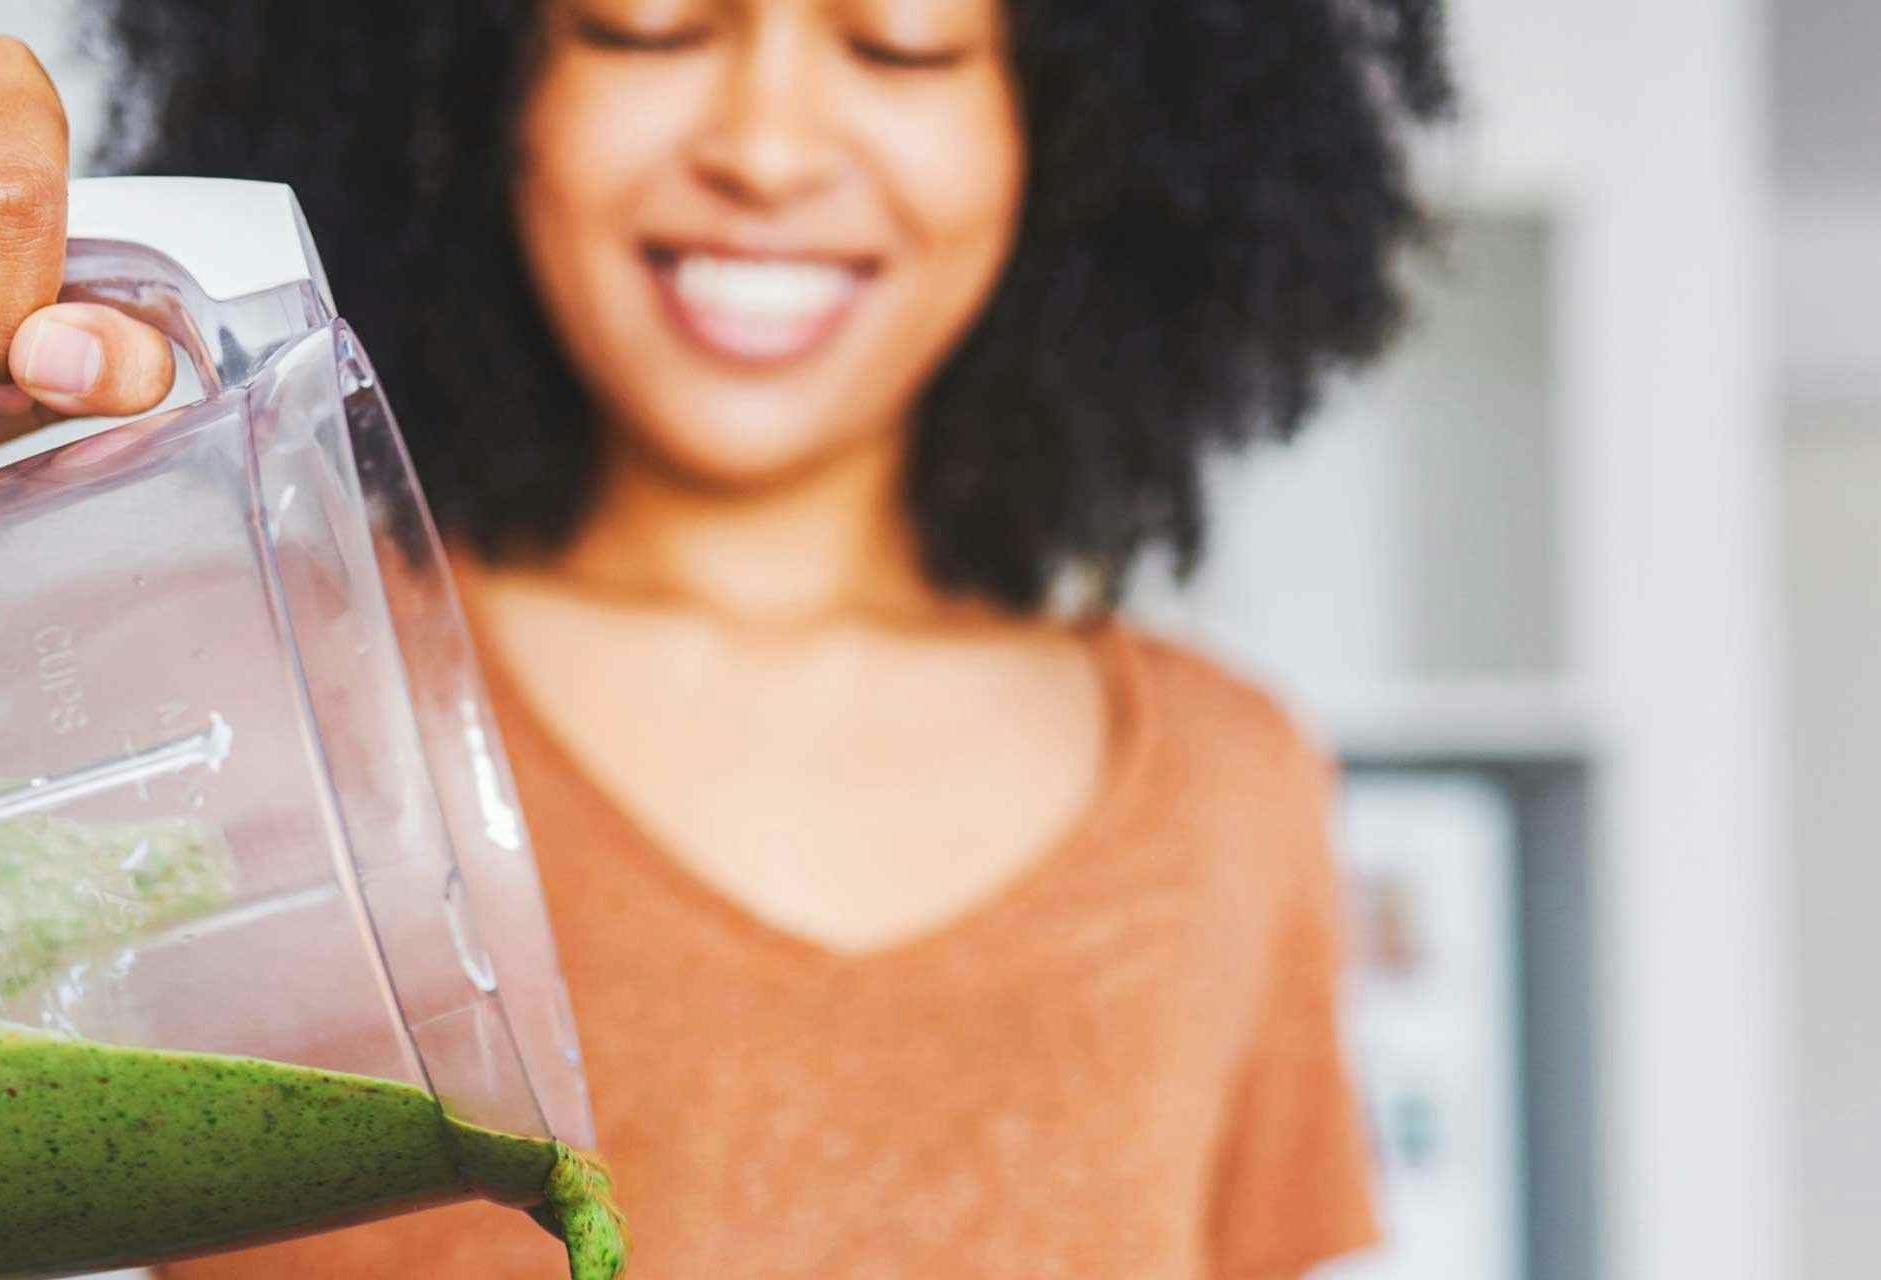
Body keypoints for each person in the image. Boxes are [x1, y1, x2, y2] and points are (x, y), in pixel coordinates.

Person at [0, 0, 1450, 1275]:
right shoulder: (220, 667)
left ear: (1068, 118)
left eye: (903, 40)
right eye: (648, 28)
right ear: (482, 83)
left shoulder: (1221, 783)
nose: (764, 148)